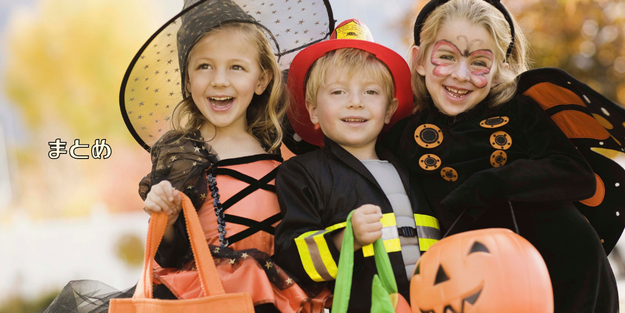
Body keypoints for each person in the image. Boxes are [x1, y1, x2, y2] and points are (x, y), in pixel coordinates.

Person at [45, 0, 335, 312]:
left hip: (276, 294)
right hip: (205, 297)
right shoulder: (185, 156)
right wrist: (167, 218)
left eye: (236, 67)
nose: (219, 80)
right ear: (187, 80)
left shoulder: (280, 152)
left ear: (262, 79)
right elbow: (169, 255)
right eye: (204, 66)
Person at [384, 0, 619, 312]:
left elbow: (577, 175)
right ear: (420, 60)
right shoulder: (401, 136)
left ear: (499, 69)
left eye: (479, 62)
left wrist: (490, 183)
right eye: (446, 57)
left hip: (569, 270)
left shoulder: (518, 112)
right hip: (474, 286)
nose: (461, 75)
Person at [273, 19, 441, 313]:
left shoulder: (415, 167)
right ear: (313, 109)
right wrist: (344, 238)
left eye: (371, 92)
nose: (355, 103)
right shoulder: (301, 174)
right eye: (338, 92)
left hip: (434, 302)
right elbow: (290, 259)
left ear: (389, 109)